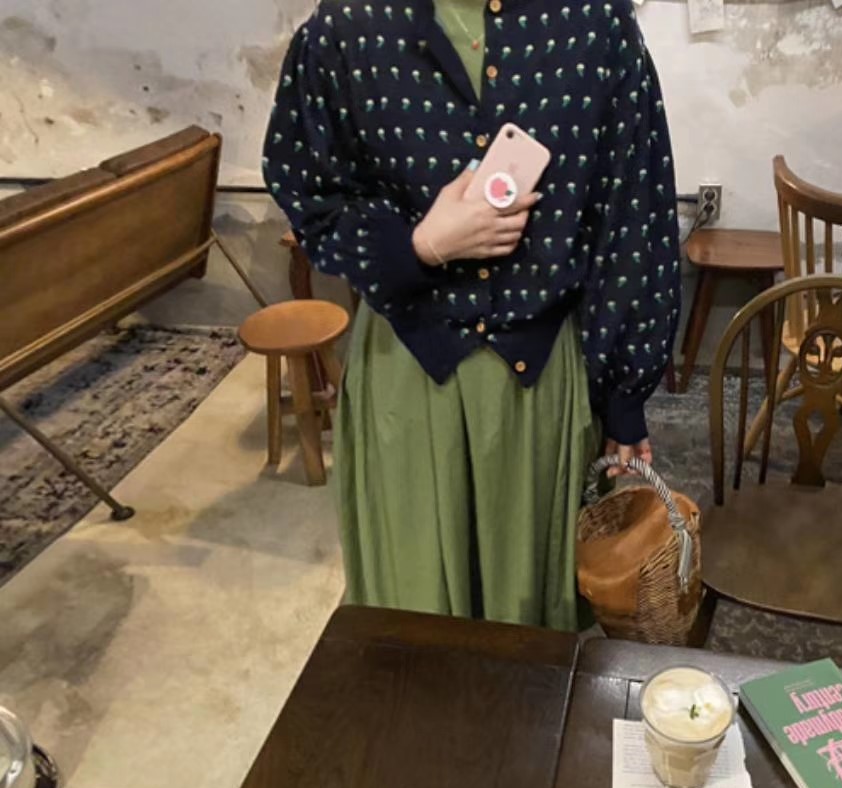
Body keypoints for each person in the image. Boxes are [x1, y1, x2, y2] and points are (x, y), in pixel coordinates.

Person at [265, 0, 680, 631]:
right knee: (414, 607)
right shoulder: (350, 24)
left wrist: (624, 395)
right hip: (405, 376)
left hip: (540, 385)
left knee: (531, 621)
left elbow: (632, 210)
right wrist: (419, 247)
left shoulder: (595, 22)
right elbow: (307, 186)